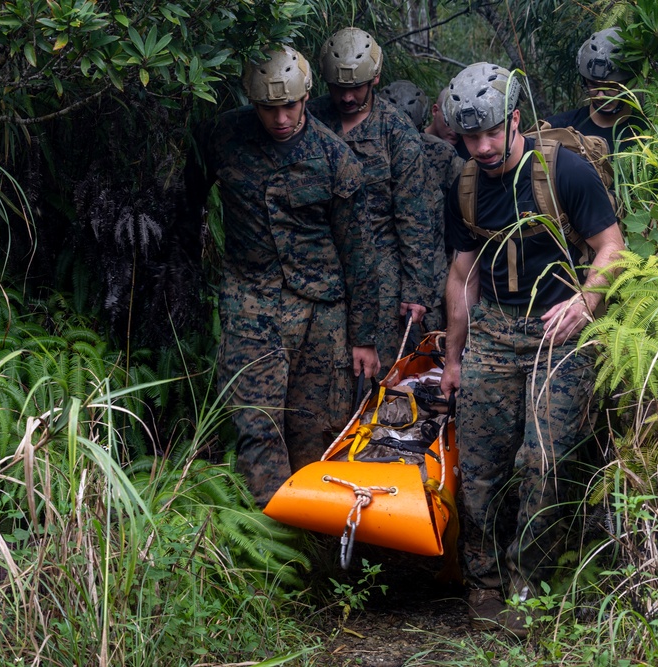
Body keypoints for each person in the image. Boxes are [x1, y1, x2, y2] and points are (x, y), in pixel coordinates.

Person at [438, 62, 625, 637]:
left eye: (493, 132)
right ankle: (484, 583)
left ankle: (529, 579)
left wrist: (584, 305)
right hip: (494, 333)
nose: (485, 146)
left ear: (515, 118)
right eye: (472, 138)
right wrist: (452, 359)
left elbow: (611, 247)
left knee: (545, 460)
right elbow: (462, 275)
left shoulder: (563, 171)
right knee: (481, 468)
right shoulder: (465, 188)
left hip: (558, 332)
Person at [185, 46, 381, 507]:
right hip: (250, 302)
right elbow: (188, 199)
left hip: (322, 310)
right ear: (252, 102)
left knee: (317, 429)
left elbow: (360, 254)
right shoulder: (222, 137)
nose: (279, 118)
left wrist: (364, 337)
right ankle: (271, 549)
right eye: (268, 108)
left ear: (307, 96)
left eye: (289, 106)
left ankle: (316, 542)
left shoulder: (336, 158)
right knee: (256, 424)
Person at [309, 27, 438, 370]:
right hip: (318, 262)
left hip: (380, 272)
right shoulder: (311, 120)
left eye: (355, 88)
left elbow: (414, 218)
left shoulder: (396, 132)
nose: (347, 97)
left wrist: (415, 290)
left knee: (373, 370)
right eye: (339, 88)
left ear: (375, 79)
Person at [378, 80, 464, 331]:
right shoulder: (368, 152)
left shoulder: (444, 155)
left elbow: (458, 216)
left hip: (435, 272)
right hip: (391, 273)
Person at [545, 27, 644, 151]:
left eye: (611, 86)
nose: (601, 96)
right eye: (593, 85)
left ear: (630, 83)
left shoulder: (647, 132)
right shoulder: (557, 129)